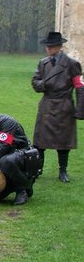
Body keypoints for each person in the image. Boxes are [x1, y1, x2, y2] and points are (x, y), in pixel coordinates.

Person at [31, 31, 84, 183]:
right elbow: (35, 81)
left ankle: (63, 170)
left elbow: (80, 87)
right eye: (47, 46)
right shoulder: (43, 63)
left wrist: (80, 110)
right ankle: (38, 169)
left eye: (52, 46)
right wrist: (43, 84)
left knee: (63, 142)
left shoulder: (72, 64)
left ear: (59, 47)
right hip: (47, 105)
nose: (48, 49)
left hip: (64, 106)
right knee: (40, 142)